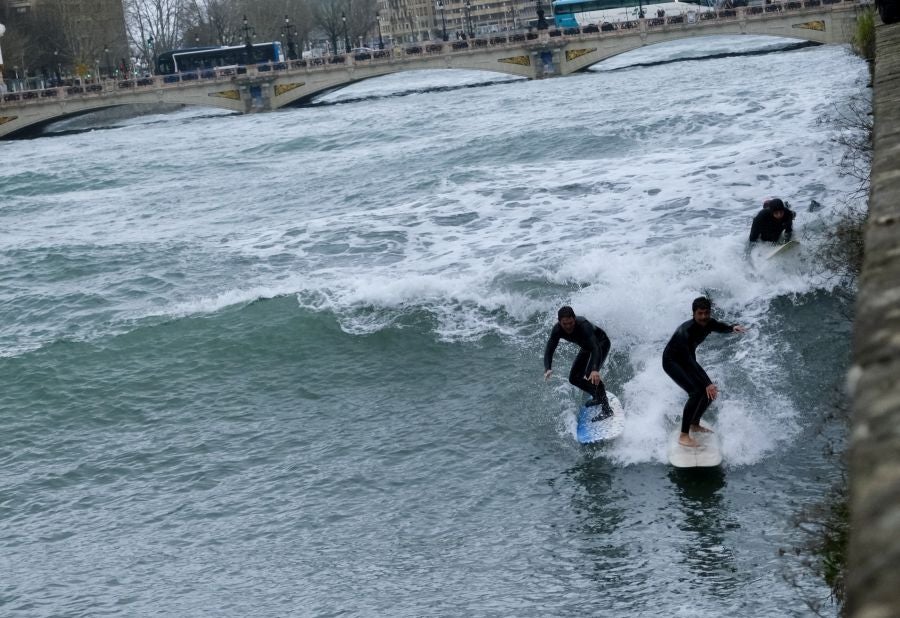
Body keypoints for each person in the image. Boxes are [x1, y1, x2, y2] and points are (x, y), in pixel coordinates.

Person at [662, 297, 746, 447]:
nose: (703, 317)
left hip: (687, 360)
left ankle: (694, 423)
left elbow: (719, 327)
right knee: (696, 392)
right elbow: (689, 361)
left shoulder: (709, 323)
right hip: (672, 361)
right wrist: (707, 383)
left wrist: (732, 328)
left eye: (706, 313)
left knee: (709, 393)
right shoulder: (685, 331)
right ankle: (684, 435)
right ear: (693, 313)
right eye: (700, 313)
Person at [543, 306, 614, 421]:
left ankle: (607, 410)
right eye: (564, 324)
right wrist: (548, 368)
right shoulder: (557, 330)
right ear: (559, 321)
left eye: (570, 323)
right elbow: (550, 348)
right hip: (586, 347)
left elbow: (596, 348)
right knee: (574, 378)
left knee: (590, 374)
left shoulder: (583, 326)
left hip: (601, 344)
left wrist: (595, 369)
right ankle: (598, 396)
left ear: (574, 319)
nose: (568, 326)